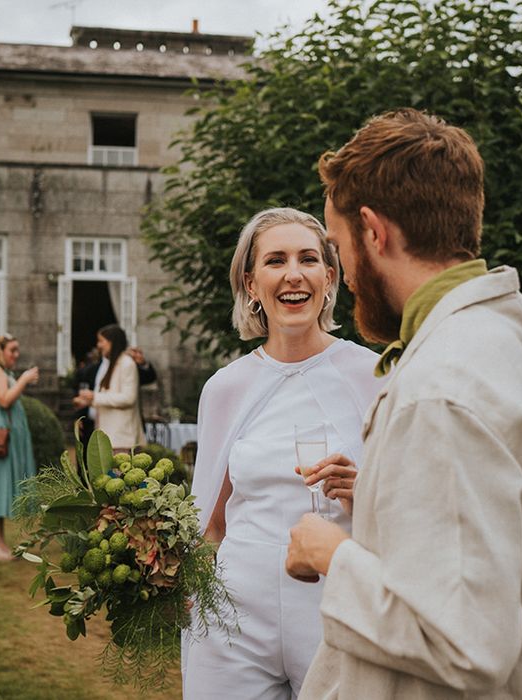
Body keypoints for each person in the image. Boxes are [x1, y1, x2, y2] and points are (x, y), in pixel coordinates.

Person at [286, 109, 522, 699]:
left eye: (339, 248)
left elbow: (465, 641)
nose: (342, 277)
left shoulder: (442, 385)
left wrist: (331, 554)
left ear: (374, 231)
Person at [182, 208, 384, 699]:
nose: (293, 274)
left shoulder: (375, 376)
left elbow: (411, 513)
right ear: (251, 283)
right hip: (233, 614)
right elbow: (209, 520)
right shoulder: (225, 388)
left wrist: (363, 491)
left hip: (335, 608)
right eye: (275, 261)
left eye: (308, 259)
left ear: (329, 277)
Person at [0, 334, 39, 563]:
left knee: (2, 484)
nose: (16, 354)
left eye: (17, 350)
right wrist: (23, 380)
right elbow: (3, 400)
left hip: (6, 436)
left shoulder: (4, 373)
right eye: (12, 350)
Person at [75, 324, 145, 450]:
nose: (99, 345)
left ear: (113, 342)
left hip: (121, 437)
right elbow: (108, 396)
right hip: (108, 436)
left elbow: (128, 398)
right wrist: (89, 401)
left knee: (117, 470)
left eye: (102, 341)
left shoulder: (127, 364)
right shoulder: (111, 364)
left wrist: (94, 396)